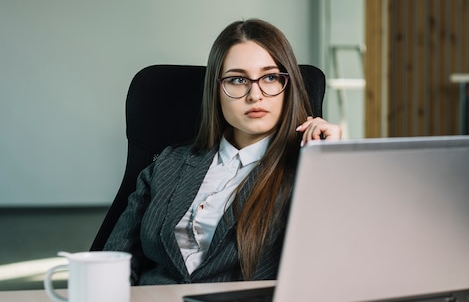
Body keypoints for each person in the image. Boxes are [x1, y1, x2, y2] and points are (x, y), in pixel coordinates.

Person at [104, 18, 342, 285]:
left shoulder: (307, 168)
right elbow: (113, 261)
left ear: (289, 87)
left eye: (271, 77)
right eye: (238, 79)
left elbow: (340, 262)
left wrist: (330, 165)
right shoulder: (169, 163)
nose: (255, 95)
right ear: (216, 90)